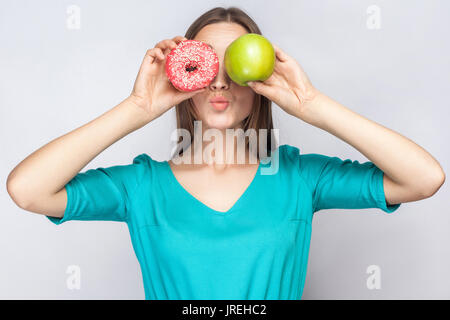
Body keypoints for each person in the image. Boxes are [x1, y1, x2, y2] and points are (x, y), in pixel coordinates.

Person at [6, 7, 445, 300]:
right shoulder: (140, 186)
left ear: (257, 83)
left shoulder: (298, 178)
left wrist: (313, 105)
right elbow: (27, 189)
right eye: (204, 65)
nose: (218, 82)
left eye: (232, 65)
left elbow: (424, 178)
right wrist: (135, 109)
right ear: (184, 84)